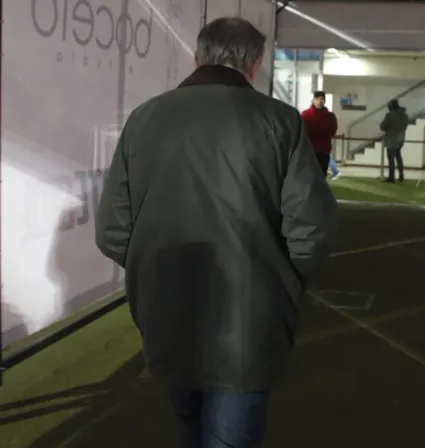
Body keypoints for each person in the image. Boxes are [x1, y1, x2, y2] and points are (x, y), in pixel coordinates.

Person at [94, 17, 337, 448]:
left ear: (196, 56)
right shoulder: (279, 121)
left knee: (188, 425)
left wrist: (152, 275)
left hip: (167, 310)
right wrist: (281, 282)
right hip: (249, 318)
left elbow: (113, 231)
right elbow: (312, 229)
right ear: (256, 63)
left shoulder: (144, 118)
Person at [301, 91, 338, 176]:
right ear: (313, 100)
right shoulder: (305, 115)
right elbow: (302, 130)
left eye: (322, 99)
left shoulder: (330, 116)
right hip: (309, 149)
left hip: (323, 150)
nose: (319, 101)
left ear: (324, 101)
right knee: (308, 174)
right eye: (317, 99)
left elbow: (333, 130)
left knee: (321, 174)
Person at [380, 99, 409, 183]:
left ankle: (391, 177)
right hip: (401, 138)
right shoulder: (405, 115)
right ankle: (401, 174)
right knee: (398, 156)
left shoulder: (389, 115)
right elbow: (405, 126)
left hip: (391, 138)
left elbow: (383, 126)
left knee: (391, 159)